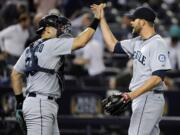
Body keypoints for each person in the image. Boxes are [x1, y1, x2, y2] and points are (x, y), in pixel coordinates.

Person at [11, 9, 101, 135]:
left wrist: (20, 102)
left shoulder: (30, 47)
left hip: (37, 103)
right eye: (57, 27)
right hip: (41, 105)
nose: (61, 30)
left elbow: (15, 74)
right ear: (47, 30)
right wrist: (96, 20)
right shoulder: (52, 44)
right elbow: (82, 41)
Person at [91, 4, 171, 135]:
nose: (131, 22)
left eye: (134, 19)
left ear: (143, 22)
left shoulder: (157, 43)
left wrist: (130, 95)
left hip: (148, 98)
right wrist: (102, 19)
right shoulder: (138, 41)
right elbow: (112, 45)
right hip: (143, 98)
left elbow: (157, 78)